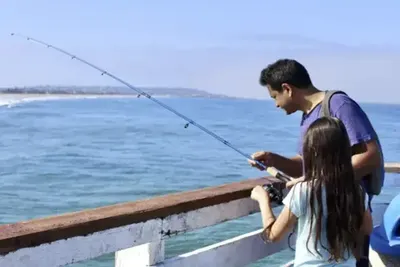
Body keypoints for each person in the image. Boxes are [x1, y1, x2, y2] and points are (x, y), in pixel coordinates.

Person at [249, 58, 384, 266]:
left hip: (345, 218)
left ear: (288, 89)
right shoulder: (308, 117)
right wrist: (274, 160)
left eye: (275, 96)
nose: (276, 104)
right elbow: (309, 165)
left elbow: (370, 155)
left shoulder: (339, 105)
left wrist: (313, 182)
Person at [250, 116, 373, 266]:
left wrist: (263, 199)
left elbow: (273, 235)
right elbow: (366, 229)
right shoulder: (357, 191)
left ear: (312, 152)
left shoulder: (303, 191)